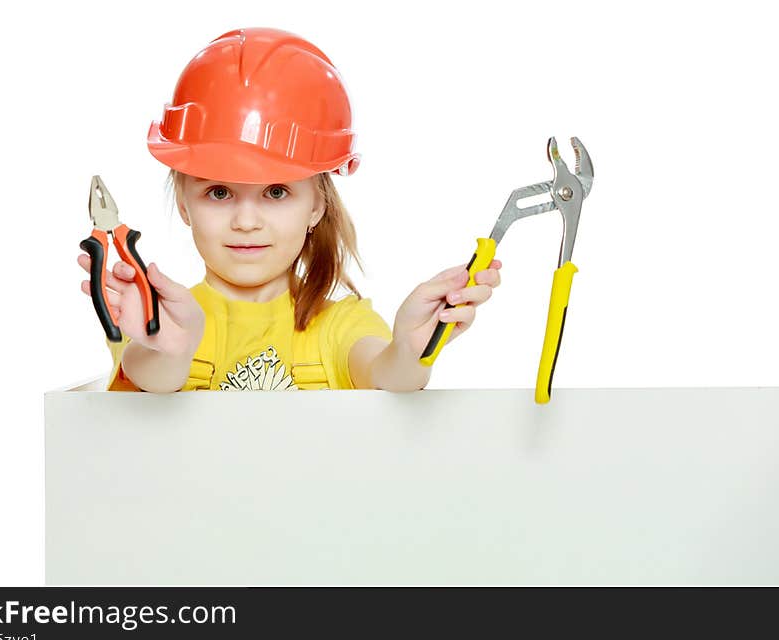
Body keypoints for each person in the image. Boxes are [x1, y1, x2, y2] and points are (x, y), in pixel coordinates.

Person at [77, 27, 501, 393]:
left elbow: (386, 374)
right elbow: (149, 376)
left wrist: (410, 352)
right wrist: (174, 348)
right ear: (183, 203)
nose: (246, 221)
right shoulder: (154, 317)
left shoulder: (340, 325)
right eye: (219, 192)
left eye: (276, 192)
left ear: (316, 204)